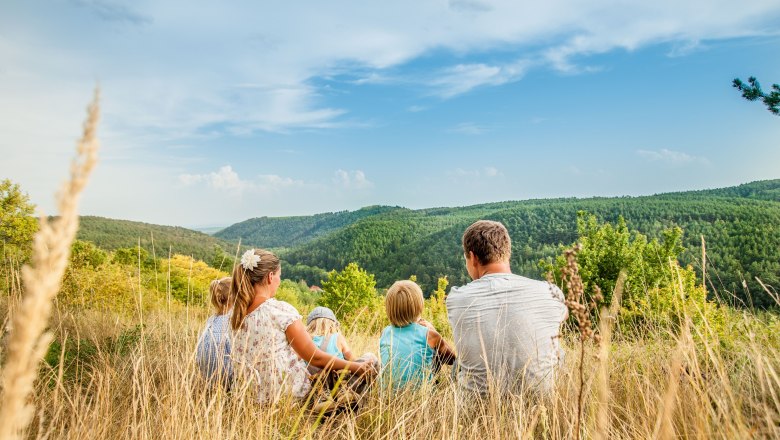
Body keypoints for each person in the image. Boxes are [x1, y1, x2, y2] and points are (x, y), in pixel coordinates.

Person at [229, 249, 375, 405]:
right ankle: (335, 400)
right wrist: (356, 367)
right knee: (370, 360)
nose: (279, 281)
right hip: (289, 393)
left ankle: (333, 398)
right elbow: (315, 357)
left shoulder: (235, 315)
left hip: (250, 396)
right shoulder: (280, 311)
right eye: (279, 276)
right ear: (270, 277)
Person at [446, 220, 568, 399]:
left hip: (477, 411)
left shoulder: (457, 298)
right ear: (507, 253)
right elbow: (563, 315)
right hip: (540, 405)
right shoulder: (550, 291)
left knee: (460, 363)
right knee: (558, 351)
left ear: (473, 258)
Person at [379, 280, 456, 390]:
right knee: (436, 354)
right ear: (419, 306)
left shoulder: (385, 333)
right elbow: (452, 359)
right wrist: (432, 329)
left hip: (388, 396)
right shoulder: (430, 335)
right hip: (422, 397)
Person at [195, 276, 234, 388]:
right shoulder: (233, 320)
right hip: (228, 382)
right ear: (235, 297)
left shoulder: (212, 320)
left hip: (209, 380)